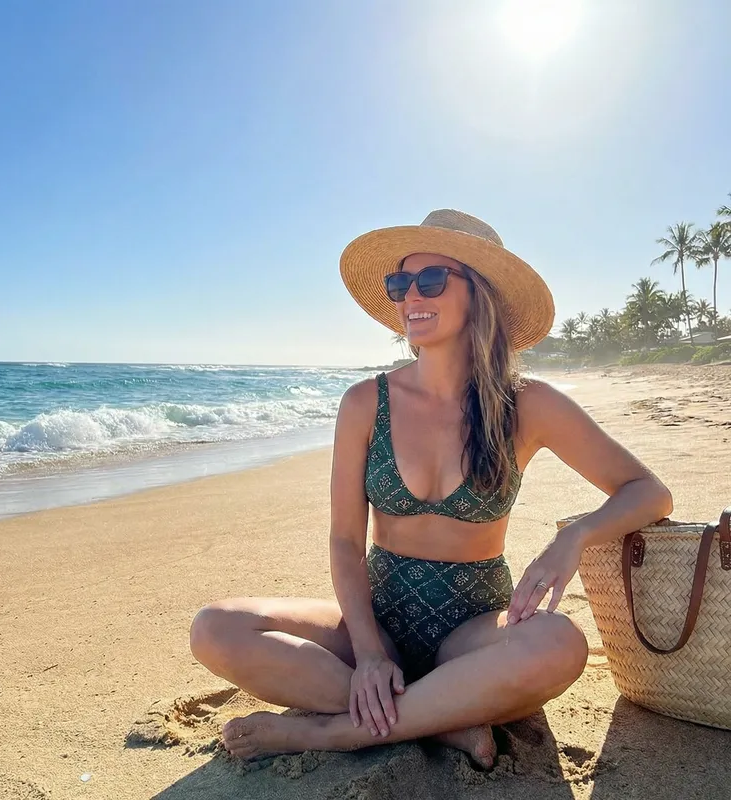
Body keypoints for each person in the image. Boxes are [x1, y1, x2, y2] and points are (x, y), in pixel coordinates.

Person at [189, 209, 672, 767]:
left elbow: (648, 491)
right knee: (216, 628)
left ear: (479, 294)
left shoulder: (528, 405)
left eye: (432, 280)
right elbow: (345, 541)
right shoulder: (366, 402)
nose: (410, 296)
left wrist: (576, 537)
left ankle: (333, 732)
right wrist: (369, 652)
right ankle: (442, 721)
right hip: (378, 618)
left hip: (473, 632)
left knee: (562, 645)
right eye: (400, 283)